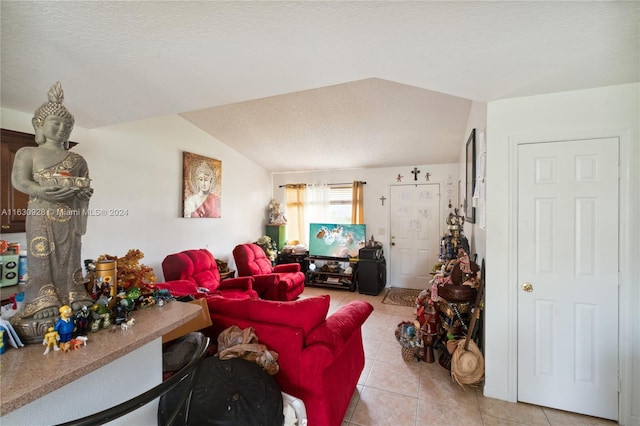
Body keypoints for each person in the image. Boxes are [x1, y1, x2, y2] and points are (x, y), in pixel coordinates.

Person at [10, 82, 94, 326]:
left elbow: (83, 185)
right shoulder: (28, 153)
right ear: (40, 125)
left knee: (71, 253)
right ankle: (43, 300)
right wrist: (41, 190)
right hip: (41, 212)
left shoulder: (77, 159)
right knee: (40, 254)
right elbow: (19, 180)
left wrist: (83, 194)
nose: (62, 129)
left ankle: (74, 294)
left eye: (67, 125)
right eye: (55, 123)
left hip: (69, 215)